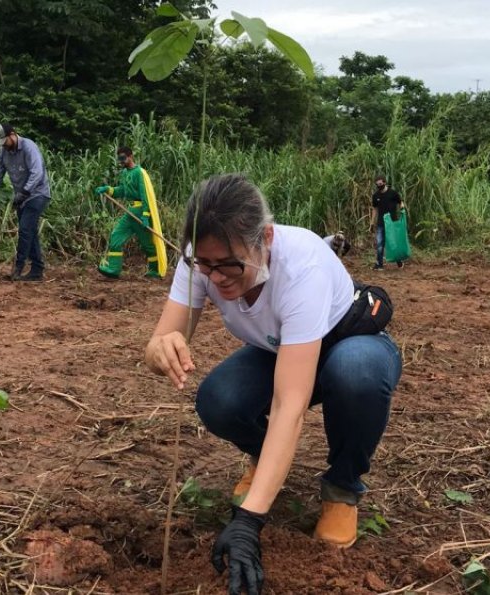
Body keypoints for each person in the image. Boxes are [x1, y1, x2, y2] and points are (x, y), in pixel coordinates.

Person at [144, 174, 402, 595]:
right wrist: (160, 350)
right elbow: (158, 343)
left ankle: (342, 487)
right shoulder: (201, 259)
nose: (217, 278)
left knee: (357, 373)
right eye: (205, 266)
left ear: (265, 237)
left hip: (347, 343)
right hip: (279, 350)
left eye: (229, 265)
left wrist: (249, 521)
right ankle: (266, 464)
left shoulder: (302, 265)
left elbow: (290, 405)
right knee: (218, 399)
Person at [0, 123, 51, 282]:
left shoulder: (29, 147)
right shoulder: (4, 151)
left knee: (25, 230)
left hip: (37, 194)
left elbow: (37, 173)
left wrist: (24, 192)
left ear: (12, 135)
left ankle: (18, 268)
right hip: (21, 197)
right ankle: (37, 270)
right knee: (30, 232)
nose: (3, 146)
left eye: (4, 142)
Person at [93, 147, 161, 279]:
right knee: (116, 235)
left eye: (123, 158)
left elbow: (145, 195)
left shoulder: (139, 172)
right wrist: (108, 189)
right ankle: (113, 269)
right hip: (130, 212)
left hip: (140, 212)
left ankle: (155, 270)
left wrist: (146, 215)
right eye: (119, 159)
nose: (121, 161)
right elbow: (123, 190)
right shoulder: (124, 173)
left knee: (147, 243)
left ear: (131, 156)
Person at [370, 175, 404, 270]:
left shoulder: (392, 193)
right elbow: (375, 209)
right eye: (377, 184)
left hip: (392, 222)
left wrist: (402, 207)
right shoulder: (376, 196)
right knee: (380, 243)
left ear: (384, 182)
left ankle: (398, 260)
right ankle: (379, 264)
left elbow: (400, 202)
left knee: (393, 243)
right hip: (381, 222)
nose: (378, 186)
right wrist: (372, 222)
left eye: (380, 184)